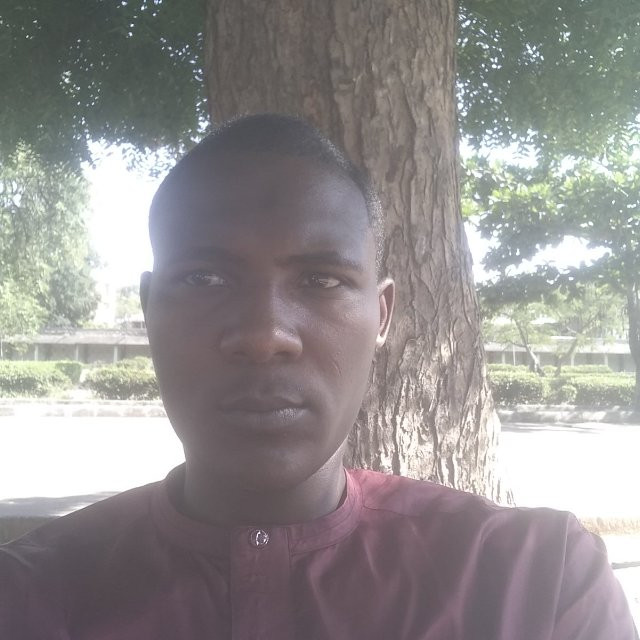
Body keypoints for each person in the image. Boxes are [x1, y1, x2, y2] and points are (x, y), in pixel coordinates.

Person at [0, 114, 636, 640]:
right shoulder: (29, 595)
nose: (264, 334)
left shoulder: (538, 584)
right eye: (205, 278)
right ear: (149, 309)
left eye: (321, 280)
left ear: (381, 315)